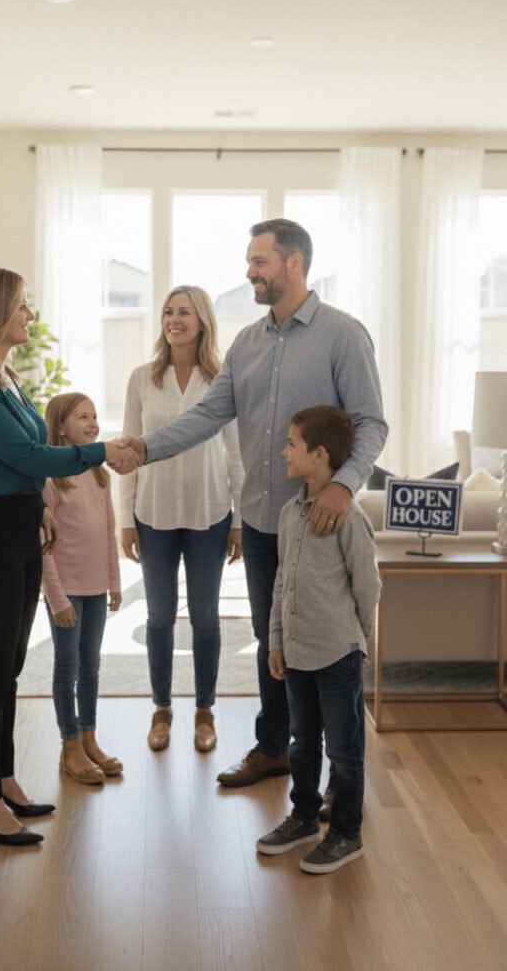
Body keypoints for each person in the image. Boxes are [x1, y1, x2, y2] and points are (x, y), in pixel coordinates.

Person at [117, 219, 388, 789]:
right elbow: (208, 416)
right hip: (266, 522)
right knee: (274, 641)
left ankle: (340, 777)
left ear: (293, 264)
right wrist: (145, 447)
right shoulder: (247, 343)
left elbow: (370, 424)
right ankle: (275, 749)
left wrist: (344, 485)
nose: (249, 272)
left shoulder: (343, 335)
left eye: (259, 262)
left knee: (328, 646)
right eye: (249, 261)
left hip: (321, 523)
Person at [0, 267, 137, 847]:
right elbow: (30, 453)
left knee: (11, 667)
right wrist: (104, 450)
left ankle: (2, 779)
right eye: (22, 306)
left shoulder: (5, 380)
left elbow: (28, 459)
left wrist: (43, 508)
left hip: (22, 530)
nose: (29, 316)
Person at [256, 406, 380, 873]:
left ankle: (346, 832)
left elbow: (367, 584)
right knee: (301, 740)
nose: (284, 451)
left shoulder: (349, 518)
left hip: (337, 654)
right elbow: (281, 583)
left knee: (343, 748)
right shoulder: (290, 513)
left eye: (291, 443)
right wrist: (275, 642)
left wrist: (362, 639)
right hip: (296, 653)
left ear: (319, 454)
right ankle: (304, 818)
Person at [120, 286, 244, 752]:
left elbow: (235, 453)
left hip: (210, 513)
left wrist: (238, 519)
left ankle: (205, 710)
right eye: (168, 312)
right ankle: (161, 709)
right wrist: (125, 520)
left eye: (184, 312)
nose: (174, 319)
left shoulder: (222, 380)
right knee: (158, 617)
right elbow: (128, 449)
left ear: (202, 321)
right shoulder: (142, 379)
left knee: (207, 618)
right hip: (152, 514)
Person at [42, 392, 123, 785]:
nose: (92, 423)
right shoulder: (49, 478)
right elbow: (43, 546)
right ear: (60, 427)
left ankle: (89, 738)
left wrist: (114, 582)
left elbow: (107, 531)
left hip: (94, 588)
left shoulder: (98, 472)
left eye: (94, 416)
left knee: (91, 665)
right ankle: (70, 745)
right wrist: (57, 599)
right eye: (82, 417)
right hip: (67, 591)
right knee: (68, 666)